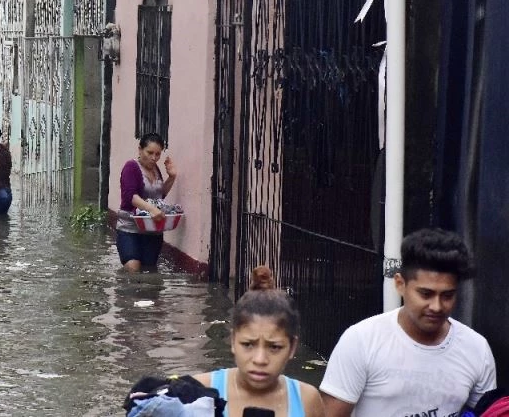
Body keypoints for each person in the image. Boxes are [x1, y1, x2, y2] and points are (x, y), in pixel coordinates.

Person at [320, 228, 497, 417]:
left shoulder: (476, 349)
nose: (436, 306)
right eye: (425, 294)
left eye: (447, 295)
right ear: (400, 284)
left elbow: (490, 413)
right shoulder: (361, 341)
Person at [193, 266, 324, 417]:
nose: (260, 360)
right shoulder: (201, 392)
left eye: (274, 347)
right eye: (248, 345)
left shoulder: (307, 400)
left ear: (292, 347)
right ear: (233, 340)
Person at [115, 132, 177, 272]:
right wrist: (151, 209)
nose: (154, 158)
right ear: (140, 149)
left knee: (149, 270)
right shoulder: (131, 167)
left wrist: (172, 177)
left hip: (153, 231)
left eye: (158, 154)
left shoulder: (156, 170)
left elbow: (159, 195)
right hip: (130, 228)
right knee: (133, 266)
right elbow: (130, 196)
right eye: (150, 153)